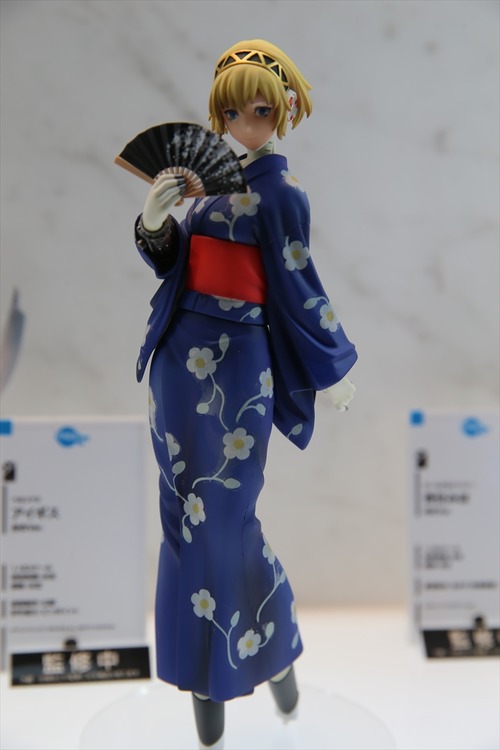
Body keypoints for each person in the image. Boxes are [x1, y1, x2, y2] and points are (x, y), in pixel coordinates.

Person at [134, 39, 358, 747]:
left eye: (259, 110)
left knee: (226, 520)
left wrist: (332, 368)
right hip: (179, 358)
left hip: (238, 365)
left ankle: (260, 654)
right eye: (233, 114)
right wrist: (154, 223)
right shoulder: (205, 186)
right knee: (183, 520)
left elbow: (298, 281)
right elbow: (174, 264)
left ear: (284, 109)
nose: (245, 124)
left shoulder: (282, 195)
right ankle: (221, 669)